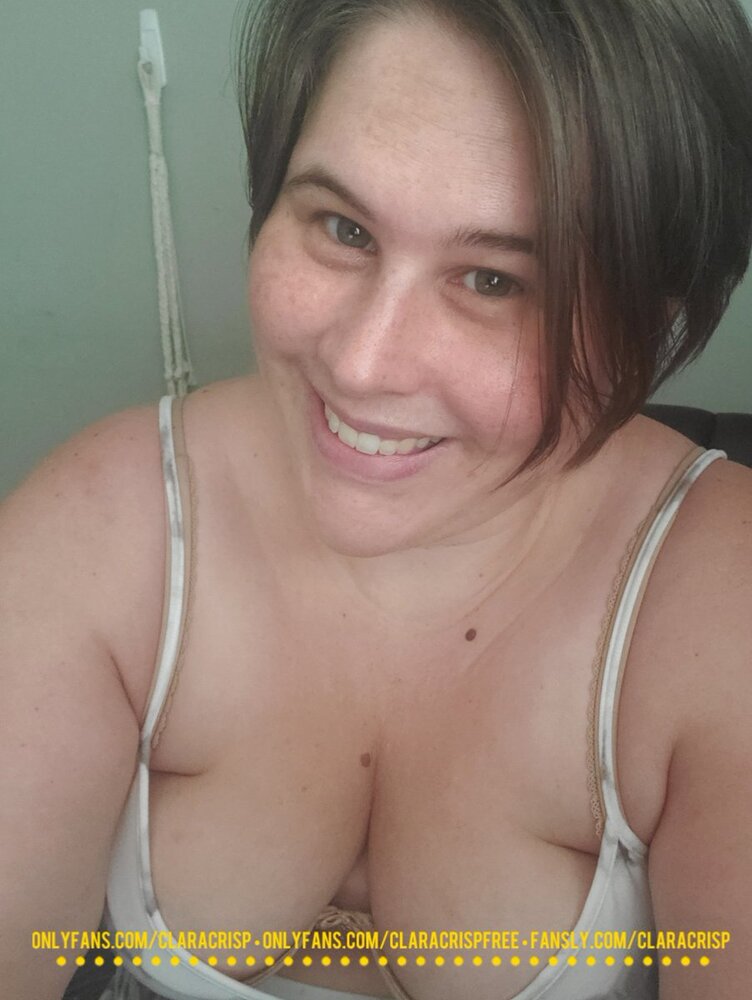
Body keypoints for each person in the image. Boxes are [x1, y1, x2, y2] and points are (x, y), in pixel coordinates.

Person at [2, 1, 752, 998]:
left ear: (651, 324)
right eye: (344, 228)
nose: (359, 363)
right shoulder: (107, 527)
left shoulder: (717, 608)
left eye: (493, 280)